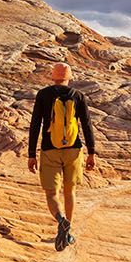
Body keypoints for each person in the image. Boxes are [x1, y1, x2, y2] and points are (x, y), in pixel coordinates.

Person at [27, 62, 97, 251]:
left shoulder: (43, 94)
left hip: (50, 149)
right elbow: (87, 125)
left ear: (52, 76)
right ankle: (68, 232)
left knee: (51, 193)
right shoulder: (79, 96)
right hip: (74, 150)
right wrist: (91, 152)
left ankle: (60, 220)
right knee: (70, 191)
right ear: (70, 76)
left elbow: (35, 124)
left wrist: (31, 154)